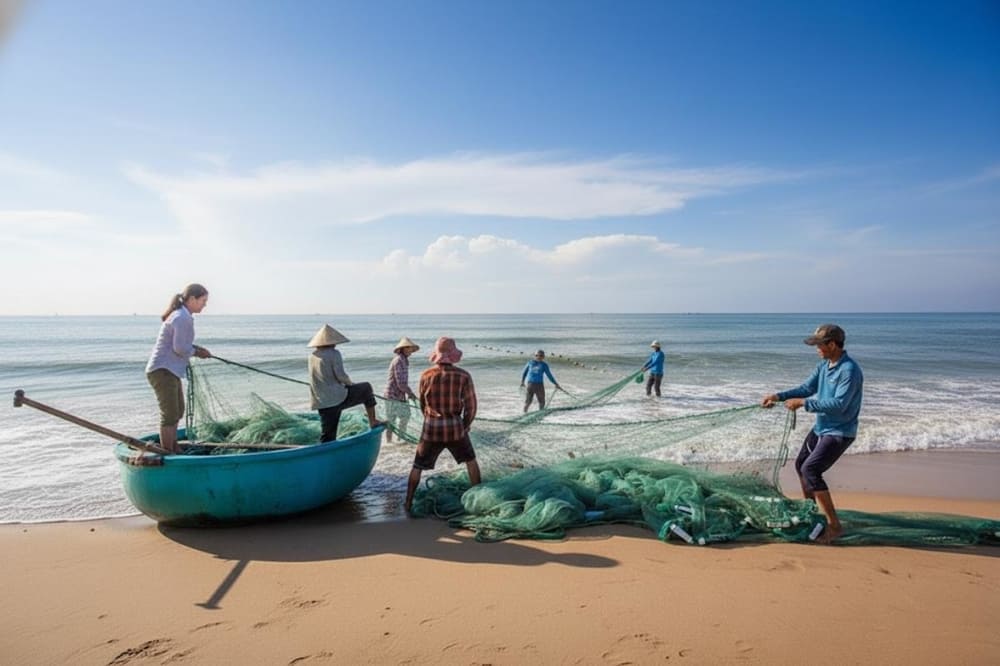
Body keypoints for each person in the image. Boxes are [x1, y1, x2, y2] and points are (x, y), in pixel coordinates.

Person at [762, 324, 863, 543]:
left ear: (833, 344)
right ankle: (812, 514)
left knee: (811, 469)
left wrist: (804, 404)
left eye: (819, 345)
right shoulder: (824, 366)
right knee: (801, 465)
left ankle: (835, 526)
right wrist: (778, 396)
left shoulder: (849, 370)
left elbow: (839, 404)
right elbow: (806, 388)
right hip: (821, 428)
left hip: (840, 431)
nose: (817, 349)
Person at [404, 337, 481, 513]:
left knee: (417, 466)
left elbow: (423, 404)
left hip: (431, 429)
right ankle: (477, 498)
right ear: (453, 356)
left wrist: (430, 419)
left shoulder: (426, 375)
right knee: (471, 461)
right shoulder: (463, 375)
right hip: (455, 429)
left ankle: (408, 502)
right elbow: (471, 406)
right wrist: (465, 424)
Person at [145, 283, 212, 453]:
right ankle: (168, 452)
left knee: (178, 411)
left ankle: (173, 446)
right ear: (192, 299)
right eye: (203, 300)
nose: (205, 304)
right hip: (162, 370)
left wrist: (196, 349)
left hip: (169, 370)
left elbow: (181, 344)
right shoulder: (182, 317)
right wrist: (198, 352)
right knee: (169, 414)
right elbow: (180, 348)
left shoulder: (183, 315)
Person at [307, 324, 383, 442]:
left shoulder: (312, 356)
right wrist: (350, 383)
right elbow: (341, 376)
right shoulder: (334, 353)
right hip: (337, 398)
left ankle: (325, 458)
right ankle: (373, 421)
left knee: (327, 437)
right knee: (366, 388)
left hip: (321, 402)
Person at [384, 336, 420, 443]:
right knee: (395, 420)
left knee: (399, 418)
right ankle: (393, 441)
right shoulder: (399, 360)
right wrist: (410, 393)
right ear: (403, 349)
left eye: (411, 348)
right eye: (409, 348)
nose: (411, 350)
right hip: (392, 395)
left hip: (397, 395)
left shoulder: (404, 360)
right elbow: (400, 383)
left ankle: (397, 440)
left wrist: (408, 393)